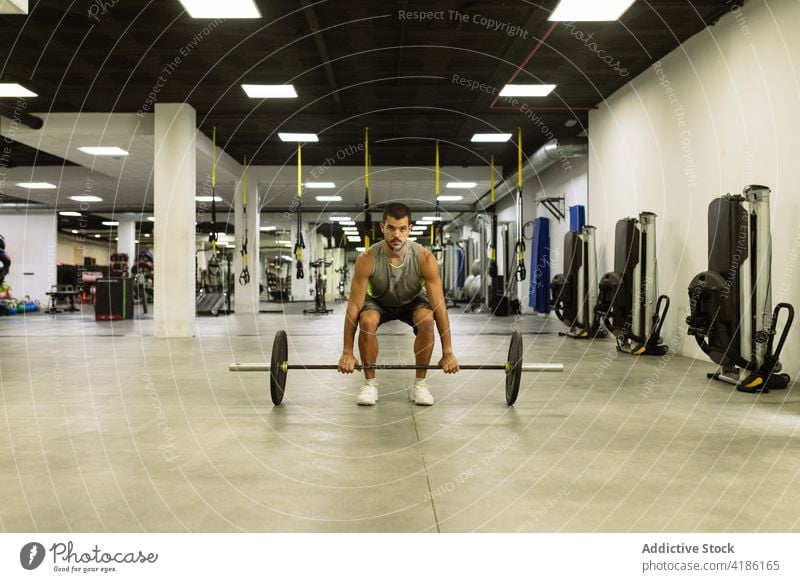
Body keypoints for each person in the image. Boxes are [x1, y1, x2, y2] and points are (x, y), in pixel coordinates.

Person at [338, 202, 459, 406]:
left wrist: (448, 351)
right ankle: (370, 384)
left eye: (403, 229)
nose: (397, 235)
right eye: (391, 228)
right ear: (382, 227)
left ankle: (420, 384)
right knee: (367, 321)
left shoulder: (424, 258)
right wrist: (347, 352)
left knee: (427, 320)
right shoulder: (367, 259)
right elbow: (353, 307)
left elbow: (439, 306)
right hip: (378, 301)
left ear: (409, 229)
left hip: (412, 300)